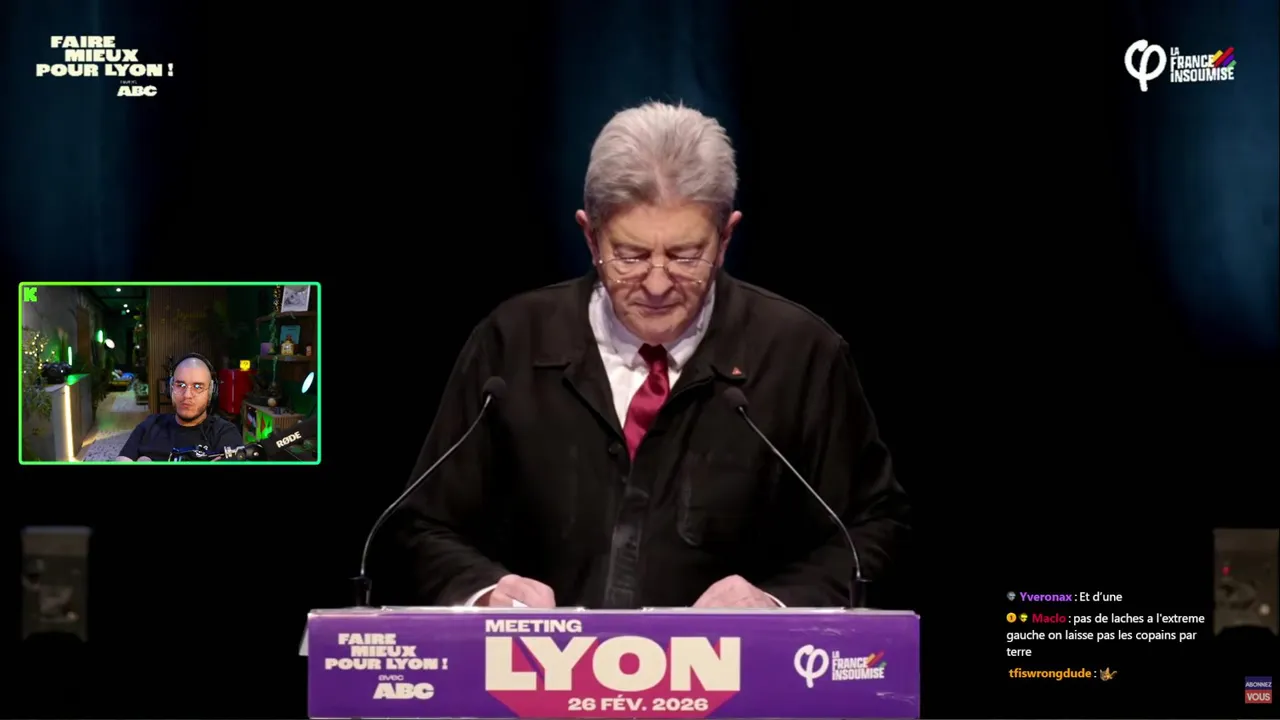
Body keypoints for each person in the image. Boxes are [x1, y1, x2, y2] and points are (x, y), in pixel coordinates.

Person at [398, 101, 909, 608]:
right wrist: (487, 591)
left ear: (726, 238)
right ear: (590, 236)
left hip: (743, 661)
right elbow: (424, 524)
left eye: (686, 256)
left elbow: (874, 526)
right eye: (631, 256)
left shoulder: (799, 354)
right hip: (534, 660)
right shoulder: (513, 343)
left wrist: (776, 604)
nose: (658, 284)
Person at [115, 354, 242, 461]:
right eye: (180, 385)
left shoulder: (225, 434)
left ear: (210, 392)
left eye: (198, 387)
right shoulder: (149, 426)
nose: (187, 395)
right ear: (170, 388)